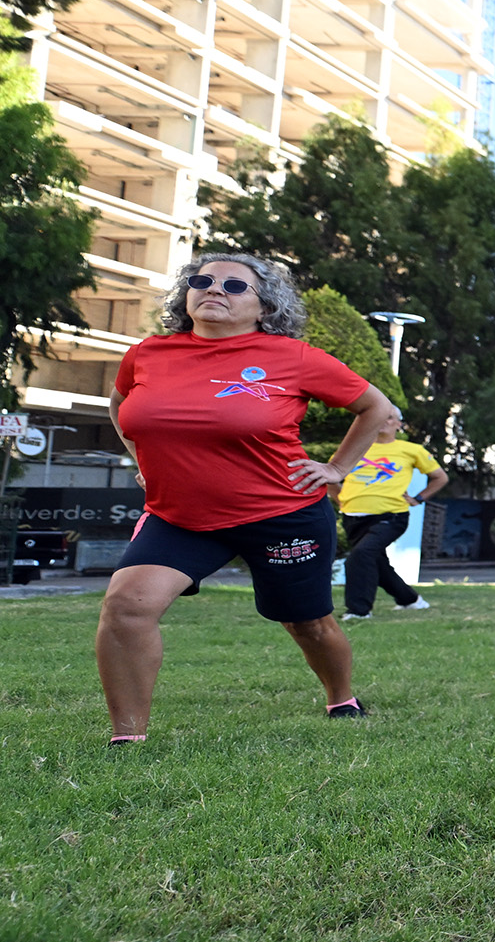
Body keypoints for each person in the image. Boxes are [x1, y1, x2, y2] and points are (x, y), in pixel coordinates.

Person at [96, 253, 396, 743]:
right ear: (186, 296)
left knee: (308, 624)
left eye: (235, 286)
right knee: (127, 605)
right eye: (202, 281)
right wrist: (141, 460)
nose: (214, 289)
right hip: (180, 517)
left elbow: (374, 406)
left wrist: (336, 468)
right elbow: (121, 405)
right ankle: (127, 738)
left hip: (283, 514)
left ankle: (341, 697)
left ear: (263, 307)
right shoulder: (147, 353)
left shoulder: (294, 357)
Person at [336, 410, 445, 620]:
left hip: (391, 515)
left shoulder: (411, 450)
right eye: (377, 416)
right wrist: (341, 498)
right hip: (352, 515)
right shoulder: (354, 448)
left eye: (388, 417)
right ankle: (410, 601)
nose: (383, 421)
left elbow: (440, 477)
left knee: (360, 556)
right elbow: (332, 476)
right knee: (376, 562)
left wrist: (418, 498)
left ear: (398, 424)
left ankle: (359, 611)